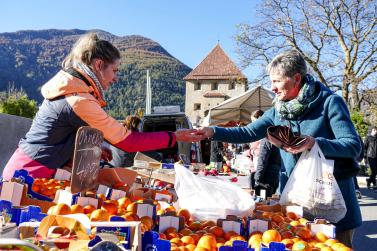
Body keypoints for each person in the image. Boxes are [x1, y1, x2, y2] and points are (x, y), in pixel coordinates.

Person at [183, 50, 362, 247]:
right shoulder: (279, 110)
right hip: (296, 201)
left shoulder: (330, 103)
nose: (272, 88)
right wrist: (211, 131)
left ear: (296, 78)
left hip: (332, 202)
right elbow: (247, 133)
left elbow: (353, 146)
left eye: (277, 81)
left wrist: (314, 142)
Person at [2, 33, 198, 180]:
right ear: (98, 65)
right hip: (30, 174)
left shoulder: (74, 91)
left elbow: (63, 134)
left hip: (31, 168)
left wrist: (95, 146)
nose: (116, 77)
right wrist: (174, 136)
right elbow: (127, 141)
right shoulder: (79, 100)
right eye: (114, 70)